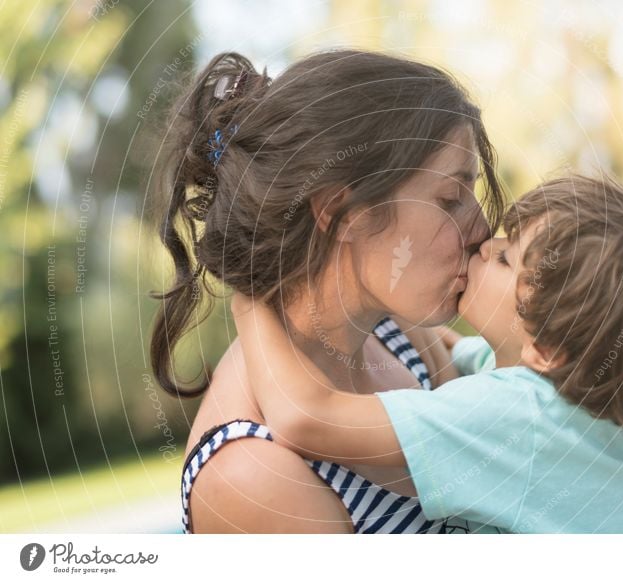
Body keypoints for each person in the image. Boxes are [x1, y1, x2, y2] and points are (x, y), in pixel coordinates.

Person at [232, 173, 623, 533]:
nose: (483, 245)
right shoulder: (571, 400)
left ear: (544, 348)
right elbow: (459, 348)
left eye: (504, 260)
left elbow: (304, 417)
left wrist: (250, 298)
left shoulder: (514, 418)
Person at [147, 49, 507, 533]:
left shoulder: (402, 338)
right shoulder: (249, 473)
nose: (482, 230)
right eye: (450, 198)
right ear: (341, 212)